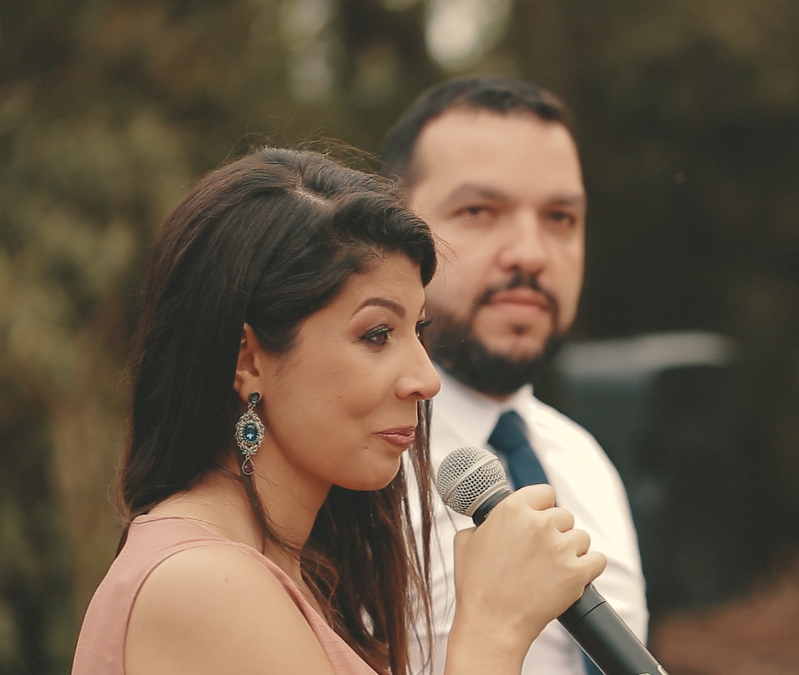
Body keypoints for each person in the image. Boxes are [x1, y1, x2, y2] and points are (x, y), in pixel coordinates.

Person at [70, 148, 605, 675]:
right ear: (248, 359)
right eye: (377, 334)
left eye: (418, 332)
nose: (426, 379)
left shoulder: (297, 577)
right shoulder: (200, 583)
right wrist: (493, 629)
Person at [379, 78, 648, 675]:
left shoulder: (585, 463)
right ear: (396, 230)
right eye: (480, 211)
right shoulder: (354, 470)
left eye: (560, 217)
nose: (530, 252)